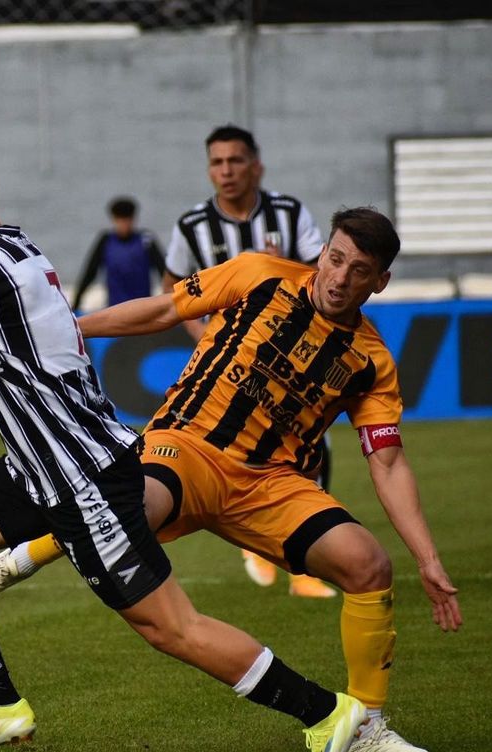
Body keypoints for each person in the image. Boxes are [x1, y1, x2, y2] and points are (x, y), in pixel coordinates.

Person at [0, 140, 365, 752]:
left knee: (172, 629)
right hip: (37, 467)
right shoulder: (20, 252)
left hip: (84, 480)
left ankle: (325, 713)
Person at [0, 207, 464, 752]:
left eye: (359, 270)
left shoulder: (371, 361)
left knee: (369, 566)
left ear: (380, 282)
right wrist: (70, 328)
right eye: (336, 258)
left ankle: (366, 726)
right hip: (189, 445)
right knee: (130, 509)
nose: (340, 278)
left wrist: (427, 557)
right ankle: (16, 560)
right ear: (322, 253)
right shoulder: (259, 275)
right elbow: (164, 309)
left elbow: (388, 464)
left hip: (272, 485)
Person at [165, 124, 332, 597]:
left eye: (235, 161)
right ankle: (255, 540)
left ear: (256, 165)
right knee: (215, 445)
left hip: (285, 362)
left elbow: (319, 277)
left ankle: (303, 566)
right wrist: (205, 340)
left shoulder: (288, 212)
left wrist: (292, 273)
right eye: (217, 162)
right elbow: (173, 286)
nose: (226, 171)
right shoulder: (192, 226)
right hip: (223, 364)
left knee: (310, 448)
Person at [71, 196, 166, 310]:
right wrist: (76, 303)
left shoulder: (146, 240)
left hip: (143, 309)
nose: (124, 224)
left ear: (133, 219)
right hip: (115, 309)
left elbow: (164, 273)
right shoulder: (105, 241)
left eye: (127, 220)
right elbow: (90, 273)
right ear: (114, 220)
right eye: (120, 220)